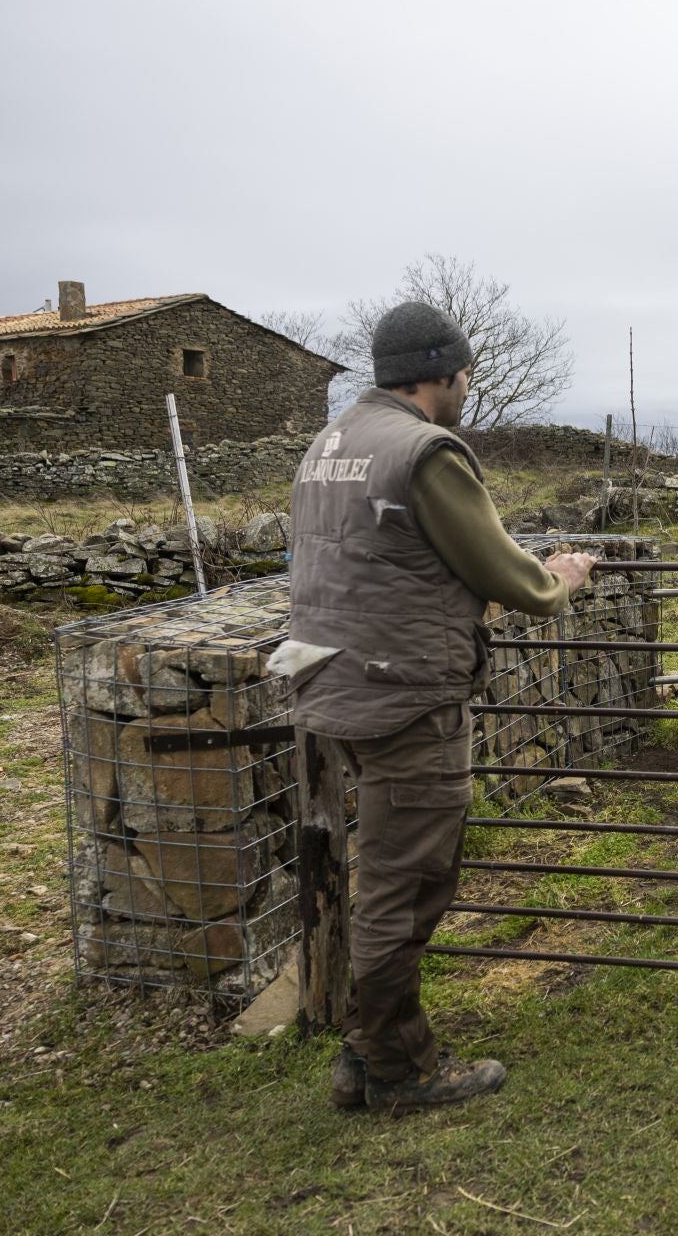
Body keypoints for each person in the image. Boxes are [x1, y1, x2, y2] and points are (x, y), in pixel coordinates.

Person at [279, 300, 596, 1111]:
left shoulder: (331, 444)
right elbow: (503, 573)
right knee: (406, 882)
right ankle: (394, 1065)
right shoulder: (424, 450)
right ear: (439, 374)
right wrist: (557, 578)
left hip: (337, 682)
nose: (465, 389)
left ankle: (366, 1048)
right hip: (407, 693)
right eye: (463, 376)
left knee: (392, 871)